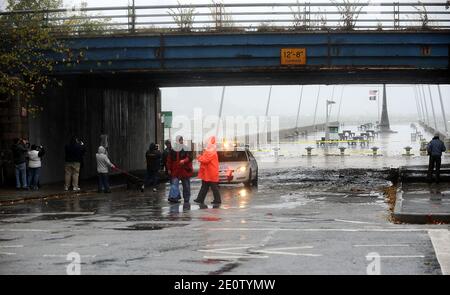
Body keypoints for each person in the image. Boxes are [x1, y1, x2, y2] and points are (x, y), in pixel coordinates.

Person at [194, 136, 221, 205]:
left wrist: (199, 157)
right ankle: (200, 199)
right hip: (208, 172)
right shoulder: (210, 150)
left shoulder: (211, 151)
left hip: (210, 172)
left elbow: (205, 160)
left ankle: (217, 200)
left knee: (212, 186)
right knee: (206, 186)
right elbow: (205, 158)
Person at [167, 136, 193, 203]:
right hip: (176, 171)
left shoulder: (186, 149)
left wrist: (184, 161)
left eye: (180, 140)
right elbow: (169, 160)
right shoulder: (173, 150)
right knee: (174, 185)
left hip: (184, 171)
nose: (179, 142)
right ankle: (174, 197)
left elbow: (189, 158)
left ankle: (186, 199)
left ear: (182, 141)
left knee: (186, 186)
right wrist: (169, 169)